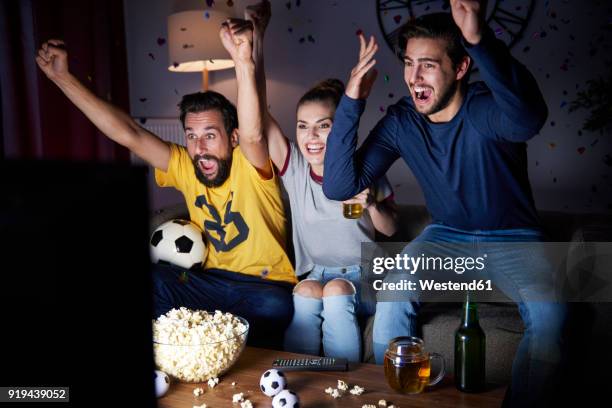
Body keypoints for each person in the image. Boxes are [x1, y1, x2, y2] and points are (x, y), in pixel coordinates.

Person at [322, 0, 566, 406]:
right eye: (408, 63)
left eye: (429, 65)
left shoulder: (485, 107)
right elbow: (339, 184)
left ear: (461, 68)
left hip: (514, 238)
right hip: (446, 237)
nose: (413, 76)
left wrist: (478, 39)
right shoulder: (403, 121)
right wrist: (352, 99)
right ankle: (394, 400)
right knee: (396, 291)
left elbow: (528, 119)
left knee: (551, 316)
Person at [35, 27, 295, 348]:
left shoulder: (250, 160)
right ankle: (173, 357)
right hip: (205, 282)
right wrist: (62, 78)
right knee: (153, 279)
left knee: (274, 306)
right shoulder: (186, 164)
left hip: (264, 287)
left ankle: (222, 347)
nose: (200, 148)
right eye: (191, 135)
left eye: (210, 135)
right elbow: (129, 132)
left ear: (233, 138)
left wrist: (243, 60)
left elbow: (255, 133)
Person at [242, 0, 398, 362]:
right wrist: (256, 41)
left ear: (340, 129)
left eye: (323, 127)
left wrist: (372, 204)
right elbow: (259, 110)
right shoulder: (294, 166)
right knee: (308, 291)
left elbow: (390, 230)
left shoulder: (365, 167)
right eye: (303, 126)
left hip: (358, 278)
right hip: (315, 273)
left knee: (336, 290)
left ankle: (347, 379)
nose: (310, 137)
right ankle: (299, 375)